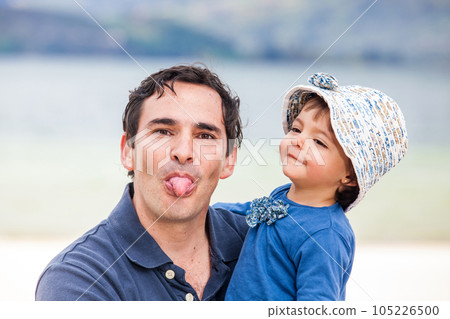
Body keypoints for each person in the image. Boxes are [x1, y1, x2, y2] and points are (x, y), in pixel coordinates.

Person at [35, 65, 248, 301]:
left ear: (229, 160)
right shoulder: (78, 279)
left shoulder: (261, 242)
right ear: (128, 151)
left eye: (205, 136)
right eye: (163, 132)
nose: (183, 152)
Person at [214, 73, 408, 300]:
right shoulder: (284, 194)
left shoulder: (326, 234)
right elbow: (251, 211)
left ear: (350, 176)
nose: (297, 140)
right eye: (296, 130)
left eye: (318, 142)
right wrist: (209, 212)